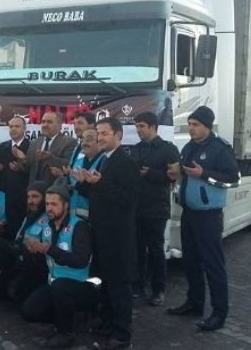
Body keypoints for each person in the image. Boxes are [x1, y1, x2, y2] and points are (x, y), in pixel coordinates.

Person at [166, 106, 240, 331]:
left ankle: (219, 313)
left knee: (213, 264)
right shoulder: (189, 147)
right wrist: (176, 174)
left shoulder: (220, 148)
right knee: (190, 262)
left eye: (196, 124)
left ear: (207, 126)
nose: (191, 128)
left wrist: (204, 174)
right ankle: (194, 303)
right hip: (189, 213)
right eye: (189, 124)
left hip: (209, 216)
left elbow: (234, 179)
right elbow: (185, 174)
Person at [75, 117, 139, 350]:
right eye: (98, 133)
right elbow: (98, 194)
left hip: (117, 237)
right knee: (105, 282)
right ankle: (108, 322)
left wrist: (99, 183)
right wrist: (84, 182)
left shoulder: (126, 162)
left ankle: (122, 334)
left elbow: (128, 200)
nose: (100, 138)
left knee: (119, 285)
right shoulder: (105, 160)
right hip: (101, 233)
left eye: (104, 134)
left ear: (118, 135)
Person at [20, 180, 97, 349]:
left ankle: (65, 333)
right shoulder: (47, 226)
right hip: (55, 283)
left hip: (81, 285)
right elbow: (46, 257)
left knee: (60, 287)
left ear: (66, 205)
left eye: (54, 204)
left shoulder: (79, 226)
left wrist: (51, 250)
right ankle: (66, 316)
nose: (49, 208)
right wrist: (33, 251)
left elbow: (81, 261)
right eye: (47, 204)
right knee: (28, 311)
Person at [129, 112, 180, 306]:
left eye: (141, 126)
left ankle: (159, 290)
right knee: (138, 249)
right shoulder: (136, 149)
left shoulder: (168, 149)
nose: (138, 130)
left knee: (156, 250)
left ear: (153, 126)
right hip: (137, 207)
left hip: (157, 207)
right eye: (136, 126)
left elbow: (174, 177)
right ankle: (138, 286)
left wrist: (150, 173)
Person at [0, 181, 49, 302]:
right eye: (29, 197)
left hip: (36, 267)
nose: (30, 200)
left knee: (17, 292)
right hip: (20, 261)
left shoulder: (48, 219)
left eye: (35, 196)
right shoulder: (29, 215)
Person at [0, 116, 31, 239]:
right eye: (11, 126)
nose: (13, 129)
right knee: (4, 233)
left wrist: (21, 166)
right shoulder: (3, 147)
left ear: (24, 129)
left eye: (17, 126)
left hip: (22, 198)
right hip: (4, 197)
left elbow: (33, 170)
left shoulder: (31, 147)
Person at [13, 112, 76, 186]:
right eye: (43, 122)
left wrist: (50, 158)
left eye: (49, 122)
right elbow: (29, 169)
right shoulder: (34, 143)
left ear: (59, 125)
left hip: (54, 190)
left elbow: (69, 165)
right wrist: (22, 160)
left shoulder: (69, 142)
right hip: (33, 190)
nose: (45, 125)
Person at [65, 129, 105, 217]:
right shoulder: (79, 160)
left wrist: (83, 183)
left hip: (94, 217)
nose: (84, 143)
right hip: (73, 215)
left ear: (99, 142)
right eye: (82, 140)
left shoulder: (105, 162)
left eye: (88, 140)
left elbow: (102, 194)